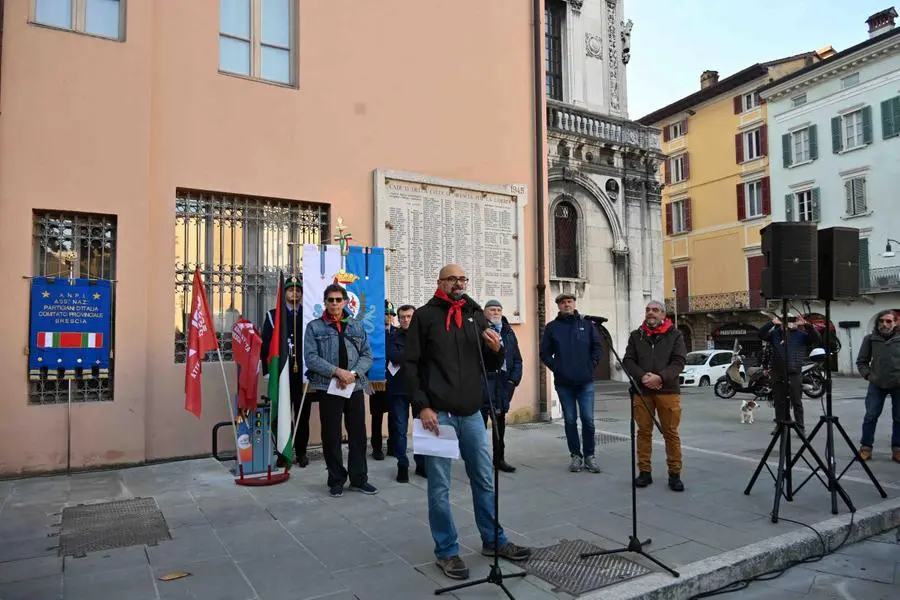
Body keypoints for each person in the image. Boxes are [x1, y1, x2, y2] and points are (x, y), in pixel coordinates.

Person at [404, 264, 531, 581]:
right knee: (439, 487)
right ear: (440, 283)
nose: (459, 283)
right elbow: (410, 365)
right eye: (453, 279)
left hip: (472, 412)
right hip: (437, 414)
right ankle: (446, 551)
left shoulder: (475, 315)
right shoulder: (425, 317)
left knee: (484, 479)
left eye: (463, 279)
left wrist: (496, 351)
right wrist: (422, 407)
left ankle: (493, 540)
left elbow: (488, 362)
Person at [304, 284, 377, 497]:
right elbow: (311, 357)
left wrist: (352, 374)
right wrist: (337, 372)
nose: (335, 303)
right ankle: (336, 479)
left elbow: (367, 355)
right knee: (331, 435)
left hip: (353, 386)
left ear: (345, 302)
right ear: (325, 303)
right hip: (328, 387)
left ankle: (359, 478)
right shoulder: (314, 327)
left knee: (358, 434)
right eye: (331, 300)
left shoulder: (356, 326)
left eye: (338, 299)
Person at [622, 300, 688, 492]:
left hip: (667, 391)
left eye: (655, 310)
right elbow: (628, 360)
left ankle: (675, 474)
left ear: (663, 315)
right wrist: (643, 377)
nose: (651, 313)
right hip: (642, 392)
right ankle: (644, 472)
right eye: (648, 310)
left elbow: (679, 362)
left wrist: (660, 377)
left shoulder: (675, 335)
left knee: (671, 433)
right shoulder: (636, 335)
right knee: (643, 432)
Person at [539, 292, 603, 473]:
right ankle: (576, 456)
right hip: (564, 383)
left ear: (574, 303)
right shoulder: (552, 327)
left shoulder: (587, 325)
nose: (567, 305)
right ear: (558, 306)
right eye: (563, 302)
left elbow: (597, 347)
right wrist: (557, 368)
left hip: (586, 382)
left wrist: (591, 365)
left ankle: (590, 456)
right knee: (569, 420)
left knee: (588, 420)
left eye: (569, 301)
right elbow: (544, 353)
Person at [261, 275, 311, 467]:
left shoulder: (307, 315)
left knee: (302, 415)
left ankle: (302, 452)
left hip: (302, 374)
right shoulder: (273, 316)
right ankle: (283, 452)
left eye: (298, 290)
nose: (295, 293)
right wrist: (268, 371)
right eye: (291, 290)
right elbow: (266, 346)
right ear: (285, 293)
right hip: (282, 373)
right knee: (281, 414)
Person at [758, 313, 821, 433]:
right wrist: (772, 323)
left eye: (791, 320)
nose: (788, 323)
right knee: (779, 401)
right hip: (777, 371)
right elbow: (760, 334)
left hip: (794, 371)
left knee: (796, 401)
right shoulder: (775, 334)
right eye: (785, 320)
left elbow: (816, 338)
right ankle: (780, 425)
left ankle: (800, 427)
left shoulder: (801, 335)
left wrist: (807, 325)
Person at [386, 303, 427, 482]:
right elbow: (393, 355)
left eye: (409, 316)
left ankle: (421, 464)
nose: (405, 320)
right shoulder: (392, 336)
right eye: (402, 317)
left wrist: (407, 355)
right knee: (400, 430)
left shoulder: (423, 337)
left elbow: (428, 358)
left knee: (421, 430)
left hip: (419, 389)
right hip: (398, 389)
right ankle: (402, 465)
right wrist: (414, 355)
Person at [482, 299, 522, 473]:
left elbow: (518, 359)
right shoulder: (480, 331)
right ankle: (480, 462)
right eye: (492, 309)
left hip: (503, 385)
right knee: (479, 428)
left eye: (499, 309)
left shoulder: (508, 331)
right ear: (485, 312)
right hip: (485, 385)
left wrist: (513, 381)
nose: (496, 312)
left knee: (500, 428)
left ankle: (499, 460)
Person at [855, 309, 900, 463]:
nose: (884, 324)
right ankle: (866, 449)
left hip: (898, 385)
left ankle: (897, 450)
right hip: (877, 384)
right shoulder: (870, 339)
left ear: (896, 322)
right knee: (870, 416)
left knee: (899, 418)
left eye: (888, 321)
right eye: (881, 321)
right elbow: (861, 361)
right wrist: (868, 375)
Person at [369, 301, 398, 460]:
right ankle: (377, 448)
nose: (388, 317)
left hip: (394, 379)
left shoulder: (397, 332)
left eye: (390, 314)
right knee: (377, 416)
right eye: (385, 314)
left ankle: (393, 446)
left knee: (394, 415)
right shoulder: (374, 333)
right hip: (377, 379)